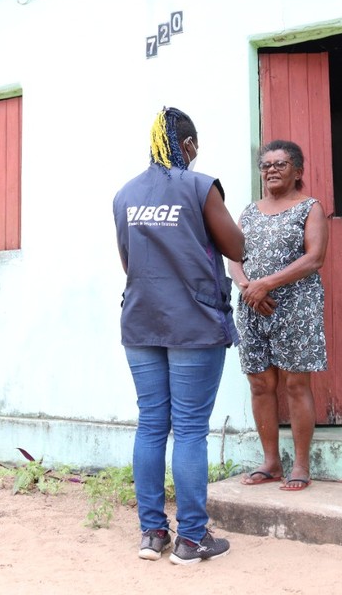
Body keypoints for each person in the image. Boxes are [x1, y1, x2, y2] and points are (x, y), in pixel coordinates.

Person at [112, 107, 243, 565]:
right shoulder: (198, 185)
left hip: (141, 322)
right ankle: (191, 539)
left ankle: (152, 534)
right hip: (192, 324)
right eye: (195, 144)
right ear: (185, 144)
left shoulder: (125, 194)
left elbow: (129, 262)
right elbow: (237, 246)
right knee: (188, 429)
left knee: (151, 425)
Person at [228, 139, 329, 492]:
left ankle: (300, 464)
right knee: (259, 384)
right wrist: (246, 287)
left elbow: (314, 258)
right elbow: (234, 255)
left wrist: (266, 283)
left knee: (296, 384)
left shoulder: (309, 208)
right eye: (266, 165)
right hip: (253, 308)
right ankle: (270, 462)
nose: (271, 169)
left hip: (296, 307)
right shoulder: (249, 212)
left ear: (297, 171)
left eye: (280, 164)